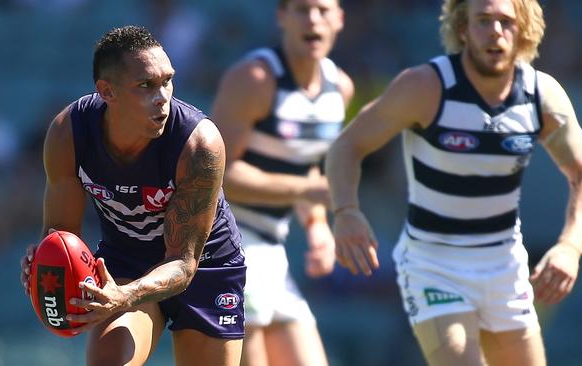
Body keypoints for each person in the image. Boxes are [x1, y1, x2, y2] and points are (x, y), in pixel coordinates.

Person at [325, 0, 582, 365]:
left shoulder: (541, 95)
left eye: (506, 22)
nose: (496, 32)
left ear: (524, 30)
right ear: (462, 29)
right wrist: (346, 211)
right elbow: (347, 146)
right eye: (483, 21)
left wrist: (570, 246)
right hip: (435, 265)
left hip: (504, 265)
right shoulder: (425, 86)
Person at [19, 25, 245, 366]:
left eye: (167, 81)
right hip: (124, 262)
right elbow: (61, 235)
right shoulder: (69, 134)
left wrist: (124, 296)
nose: (163, 97)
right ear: (106, 92)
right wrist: (46, 265)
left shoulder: (198, 145)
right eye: (145, 85)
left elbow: (184, 265)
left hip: (206, 266)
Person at [210, 0, 352, 365]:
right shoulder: (255, 79)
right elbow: (216, 177)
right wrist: (306, 191)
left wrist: (317, 224)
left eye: (323, 10)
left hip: (273, 249)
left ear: (339, 19)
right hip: (229, 245)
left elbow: (310, 170)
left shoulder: (341, 89)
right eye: (302, 9)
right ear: (281, 17)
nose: (313, 20)